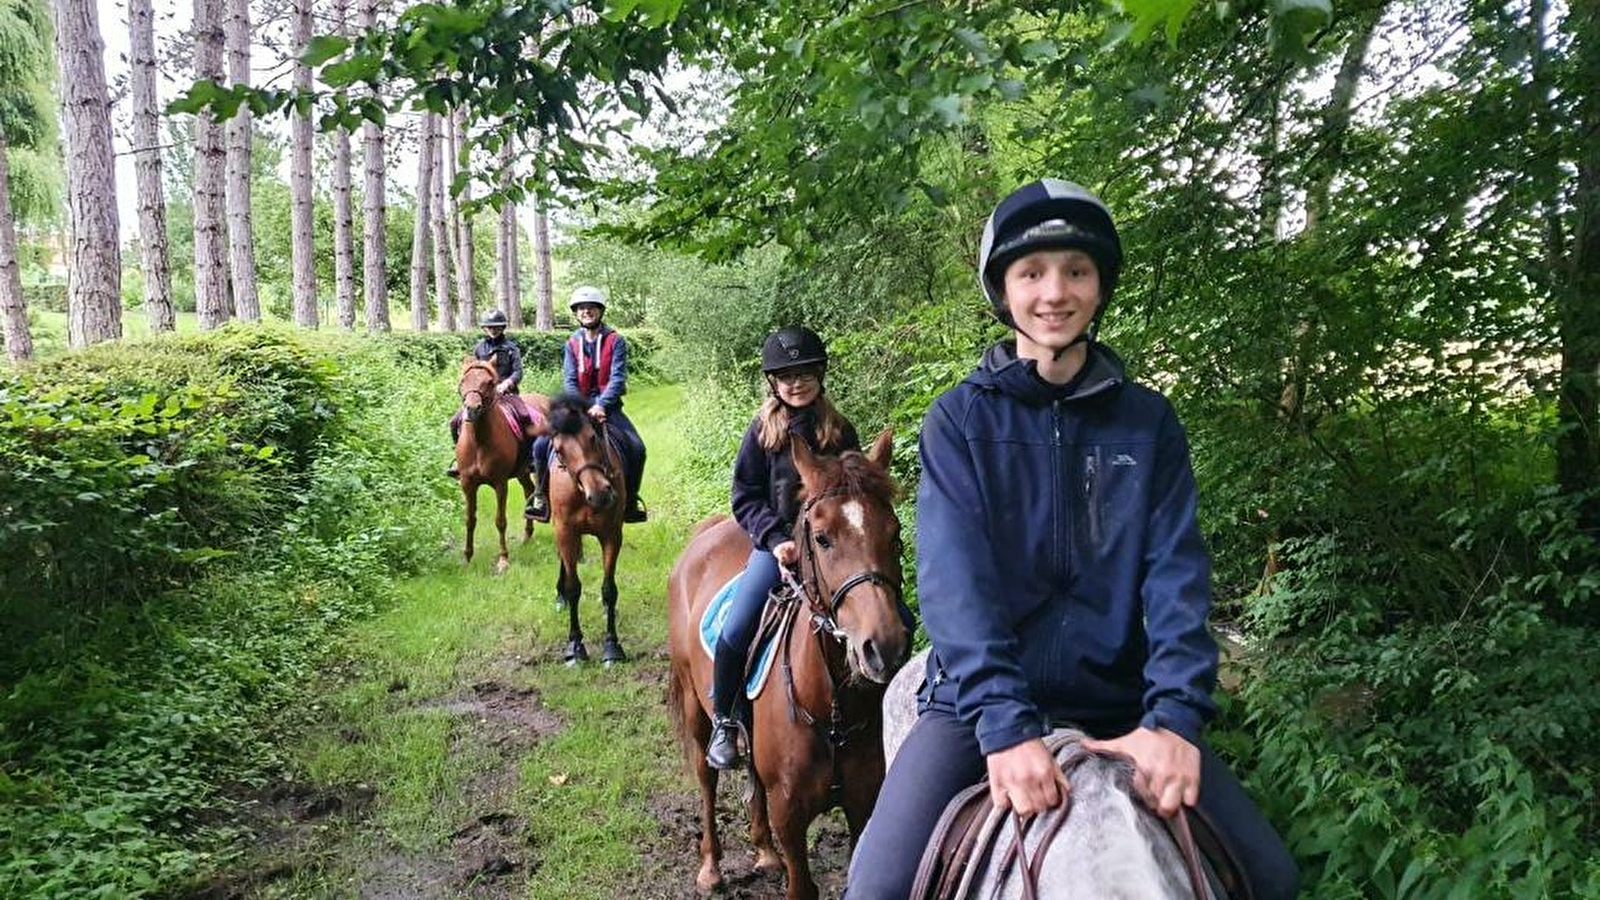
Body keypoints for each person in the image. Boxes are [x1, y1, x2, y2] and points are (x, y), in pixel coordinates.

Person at [843, 180, 1299, 900]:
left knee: (1274, 876)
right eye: (1031, 272)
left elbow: (1176, 576)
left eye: (1076, 271)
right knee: (876, 885)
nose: (1055, 292)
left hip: (1115, 700)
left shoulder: (1148, 424)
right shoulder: (959, 422)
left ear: (1100, 286)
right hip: (974, 705)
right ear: (1003, 289)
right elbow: (955, 584)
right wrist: (1004, 727)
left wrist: (1175, 719)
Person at [705, 325, 861, 769]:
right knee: (736, 628)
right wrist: (775, 540)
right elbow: (745, 495)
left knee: (891, 617)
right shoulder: (763, 431)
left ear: (821, 374)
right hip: (779, 550)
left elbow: (854, 493)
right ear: (773, 382)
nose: (796, 383)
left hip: (832, 550)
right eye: (786, 375)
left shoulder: (839, 430)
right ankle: (724, 720)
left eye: (806, 372)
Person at [528, 286, 648, 523]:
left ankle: (630, 501)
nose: (586, 312)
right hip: (577, 409)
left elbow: (617, 378)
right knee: (541, 445)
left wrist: (602, 404)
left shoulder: (616, 341)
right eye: (581, 309)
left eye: (591, 308)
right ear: (576, 313)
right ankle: (540, 497)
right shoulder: (571, 343)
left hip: (608, 407)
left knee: (637, 447)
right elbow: (570, 380)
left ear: (600, 311)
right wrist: (578, 407)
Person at [446, 308, 525, 481]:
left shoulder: (511, 349)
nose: (493, 330)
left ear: (503, 328)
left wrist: (506, 383)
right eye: (489, 327)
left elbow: (518, 372)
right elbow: (474, 371)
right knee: (455, 421)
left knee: (526, 416)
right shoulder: (479, 348)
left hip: (507, 395)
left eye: (496, 327)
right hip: (483, 395)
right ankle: (460, 460)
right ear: (485, 328)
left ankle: (528, 458)